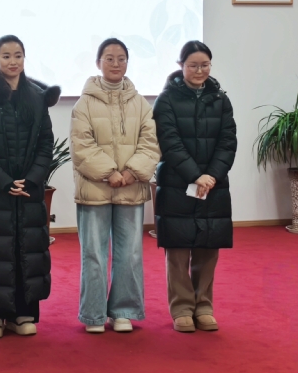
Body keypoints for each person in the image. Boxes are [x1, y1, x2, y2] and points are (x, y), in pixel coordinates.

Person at [0, 35, 60, 339]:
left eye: (18, 55)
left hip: (29, 189)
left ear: (24, 58)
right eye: (6, 56)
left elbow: (46, 144)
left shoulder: (37, 97)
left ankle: (23, 312)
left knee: (27, 250)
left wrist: (32, 179)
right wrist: (3, 181)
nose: (12, 61)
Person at [70, 38, 160, 334]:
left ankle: (123, 311)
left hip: (130, 187)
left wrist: (132, 172)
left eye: (121, 58)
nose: (116, 64)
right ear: (98, 62)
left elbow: (150, 143)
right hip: (95, 188)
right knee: (94, 254)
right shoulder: (84, 102)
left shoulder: (140, 103)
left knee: (130, 253)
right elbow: (81, 145)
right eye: (109, 58)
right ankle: (94, 315)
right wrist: (109, 173)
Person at [152, 41, 237, 333]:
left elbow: (228, 142)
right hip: (177, 183)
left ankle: (204, 306)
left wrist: (212, 175)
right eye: (193, 65)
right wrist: (195, 175)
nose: (199, 71)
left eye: (204, 65)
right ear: (181, 66)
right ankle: (182, 308)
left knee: (208, 247)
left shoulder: (221, 100)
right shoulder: (166, 100)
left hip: (213, 185)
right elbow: (169, 142)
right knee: (178, 249)